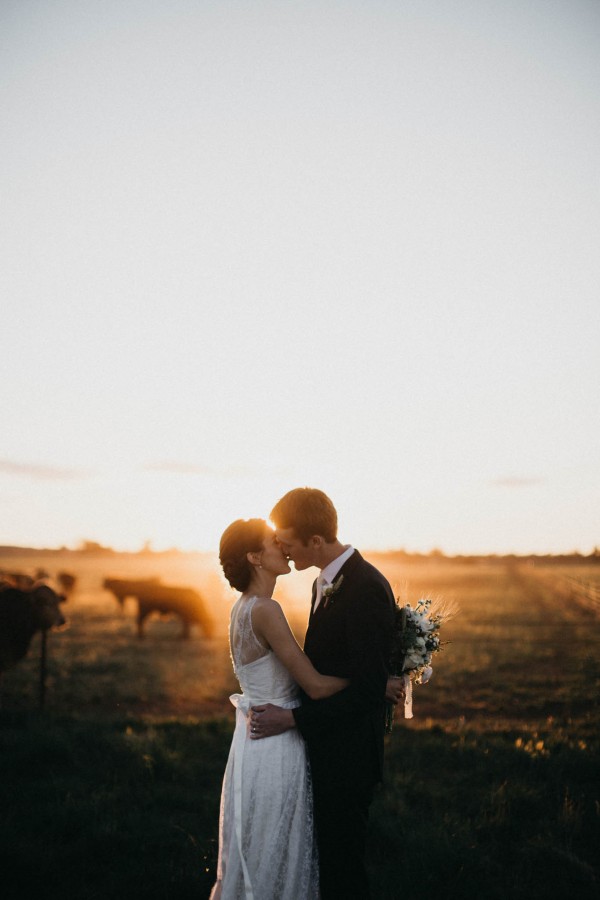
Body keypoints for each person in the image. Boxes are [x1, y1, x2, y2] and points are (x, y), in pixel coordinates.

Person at [249, 488, 396, 900]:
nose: (282, 547)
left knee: (343, 868)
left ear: (316, 541)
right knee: (324, 864)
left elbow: (368, 691)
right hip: (327, 747)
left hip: (348, 757)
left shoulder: (365, 587)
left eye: (288, 541)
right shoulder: (324, 581)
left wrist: (293, 720)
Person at [209, 517, 350, 900]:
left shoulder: (241, 609)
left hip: (252, 746)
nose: (284, 546)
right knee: (277, 846)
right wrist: (376, 679)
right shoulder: (266, 610)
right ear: (255, 556)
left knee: (257, 845)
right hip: (277, 744)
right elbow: (317, 687)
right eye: (274, 542)